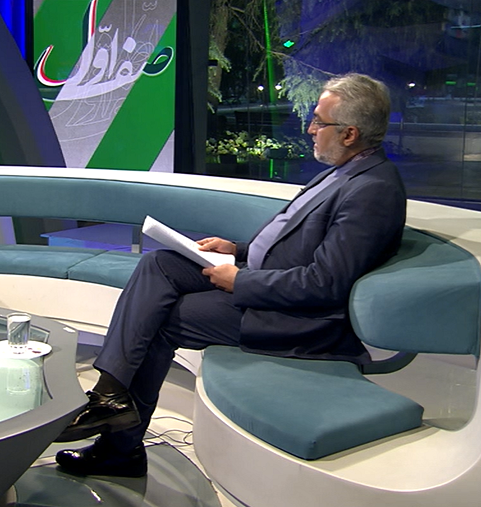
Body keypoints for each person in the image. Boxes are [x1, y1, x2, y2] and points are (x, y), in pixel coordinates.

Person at [54, 73, 407, 477]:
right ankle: (109, 392)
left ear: (349, 134)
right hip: (264, 280)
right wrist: (236, 250)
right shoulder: (345, 170)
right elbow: (298, 242)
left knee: (163, 319)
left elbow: (325, 284)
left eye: (318, 121)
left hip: (298, 319)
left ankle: (120, 449)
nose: (310, 129)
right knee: (158, 264)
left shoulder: (372, 190)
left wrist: (241, 281)